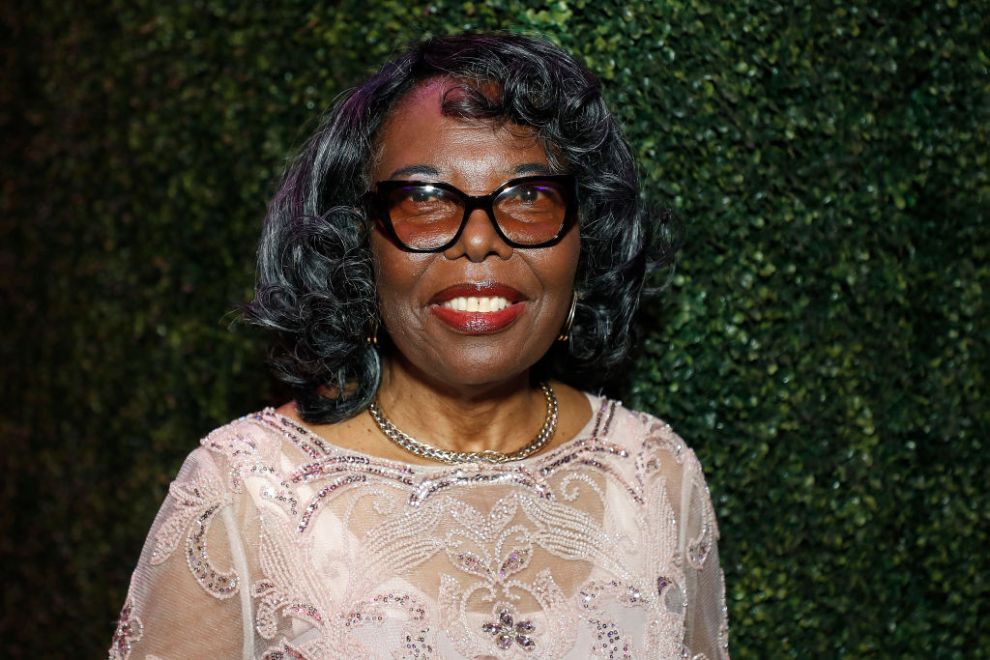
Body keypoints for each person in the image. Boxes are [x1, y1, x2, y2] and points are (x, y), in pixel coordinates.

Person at [110, 32, 729, 659]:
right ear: (358, 248)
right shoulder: (245, 494)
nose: (481, 241)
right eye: (425, 199)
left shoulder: (656, 477)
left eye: (529, 197)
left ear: (585, 238)